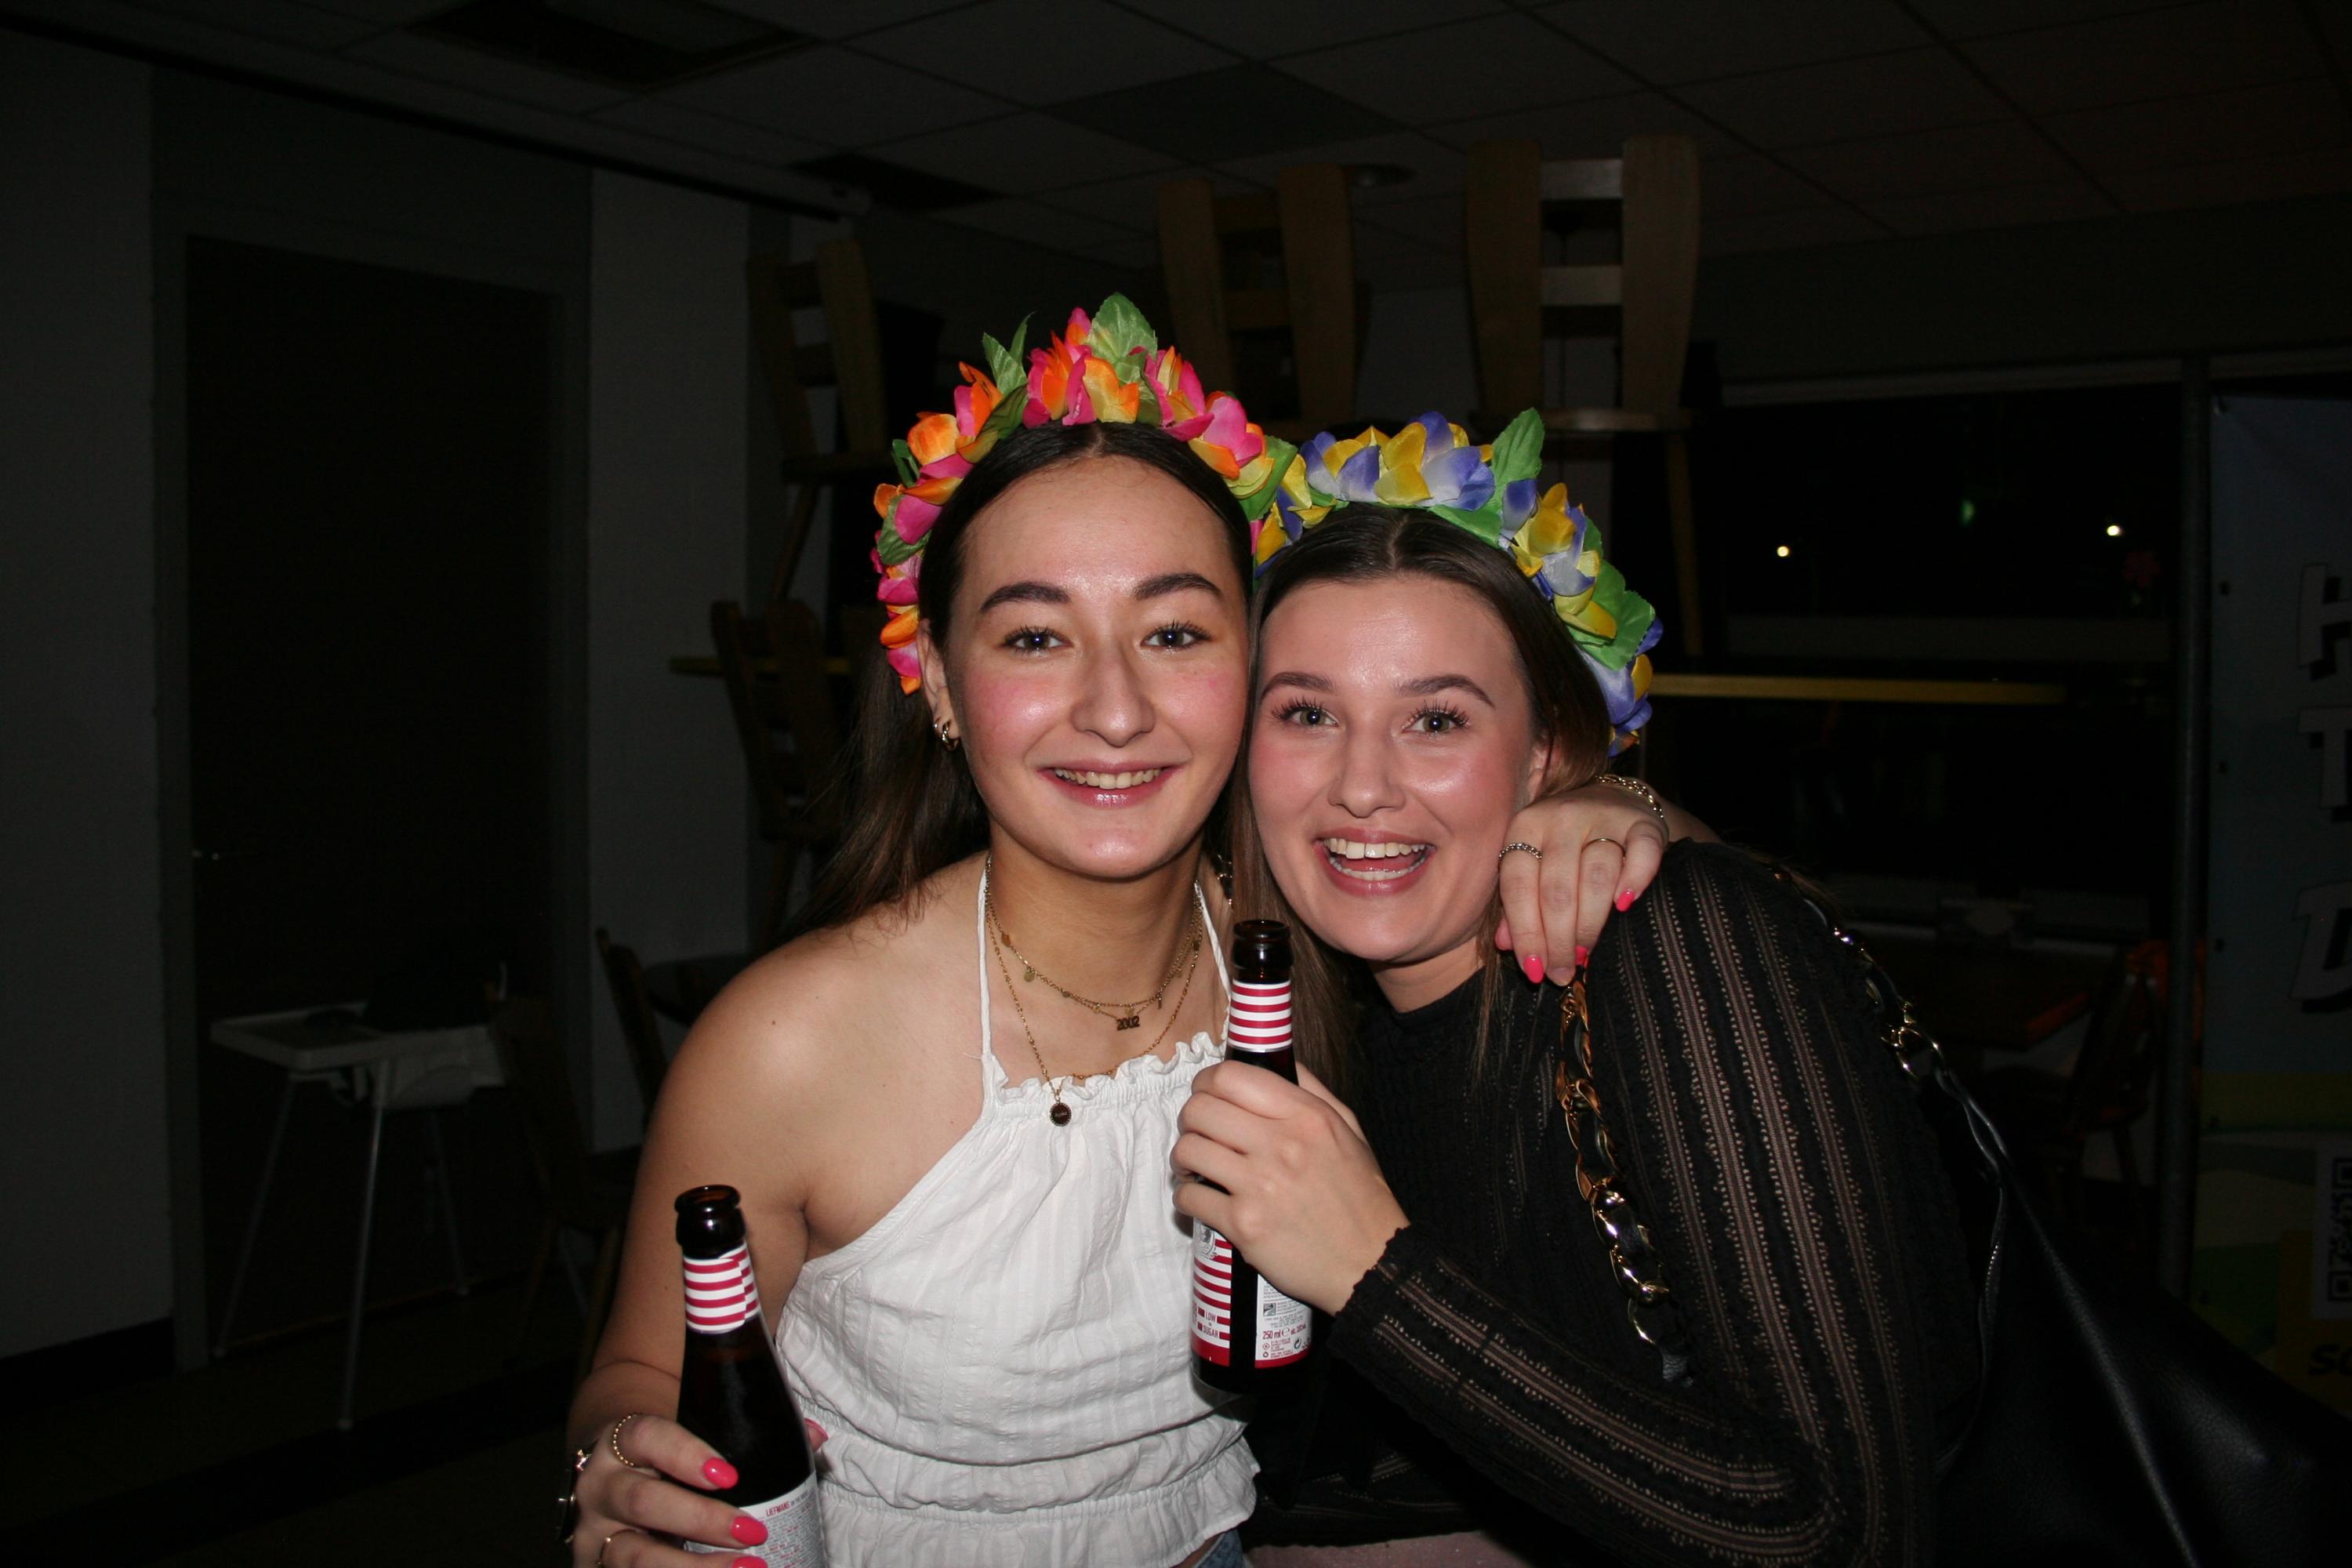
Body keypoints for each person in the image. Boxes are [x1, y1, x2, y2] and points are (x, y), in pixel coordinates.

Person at [559, 307, 1693, 1568]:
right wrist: (615, 1467)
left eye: (1174, 633)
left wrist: (1616, 805)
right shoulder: (791, 1041)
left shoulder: (1314, 933)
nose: (1113, 710)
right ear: (940, 680)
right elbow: (640, 1371)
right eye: (1036, 637)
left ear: (1253, 665)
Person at [1174, 416, 1980, 1566]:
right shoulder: (1329, 1026)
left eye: (1437, 719)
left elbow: (1847, 1533)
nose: (1361, 785)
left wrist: (1372, 1271)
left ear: (1548, 751)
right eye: (1308, 713)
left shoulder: (1676, 947)